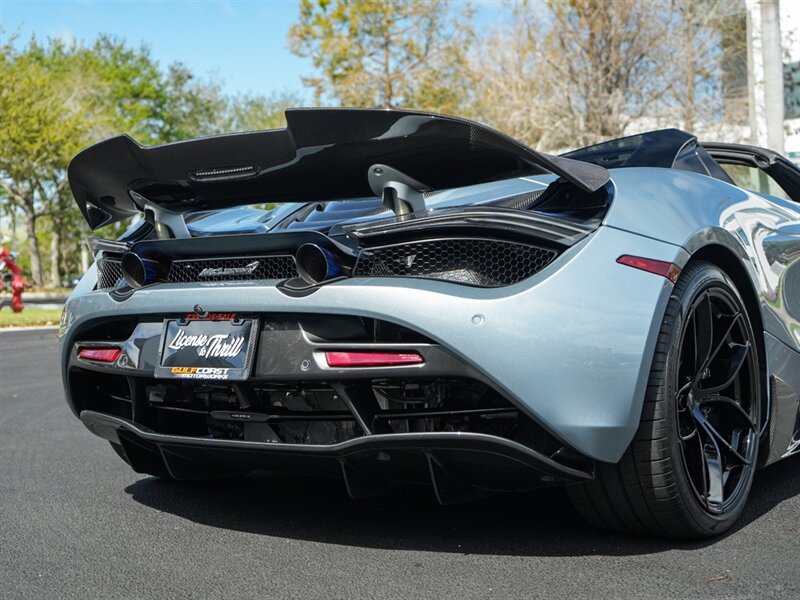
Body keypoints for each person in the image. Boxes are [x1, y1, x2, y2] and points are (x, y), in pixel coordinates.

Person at [0, 237, 26, 312]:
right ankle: (17, 306)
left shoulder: (6, 261)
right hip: (16, 278)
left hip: (16, 279)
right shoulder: (5, 260)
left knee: (17, 288)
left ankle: (17, 306)